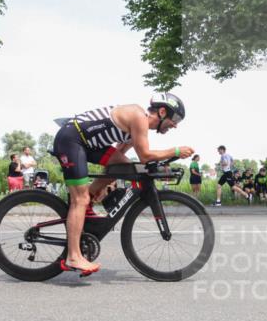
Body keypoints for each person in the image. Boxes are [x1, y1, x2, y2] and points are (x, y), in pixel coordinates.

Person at [52, 93, 192, 275]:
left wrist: (103, 184)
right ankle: (73, 256)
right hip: (71, 140)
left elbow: (120, 156)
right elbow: (145, 155)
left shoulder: (136, 125)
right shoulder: (139, 117)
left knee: (124, 167)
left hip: (87, 143)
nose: (175, 125)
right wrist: (175, 151)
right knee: (80, 199)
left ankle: (89, 200)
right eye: (174, 120)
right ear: (163, 111)